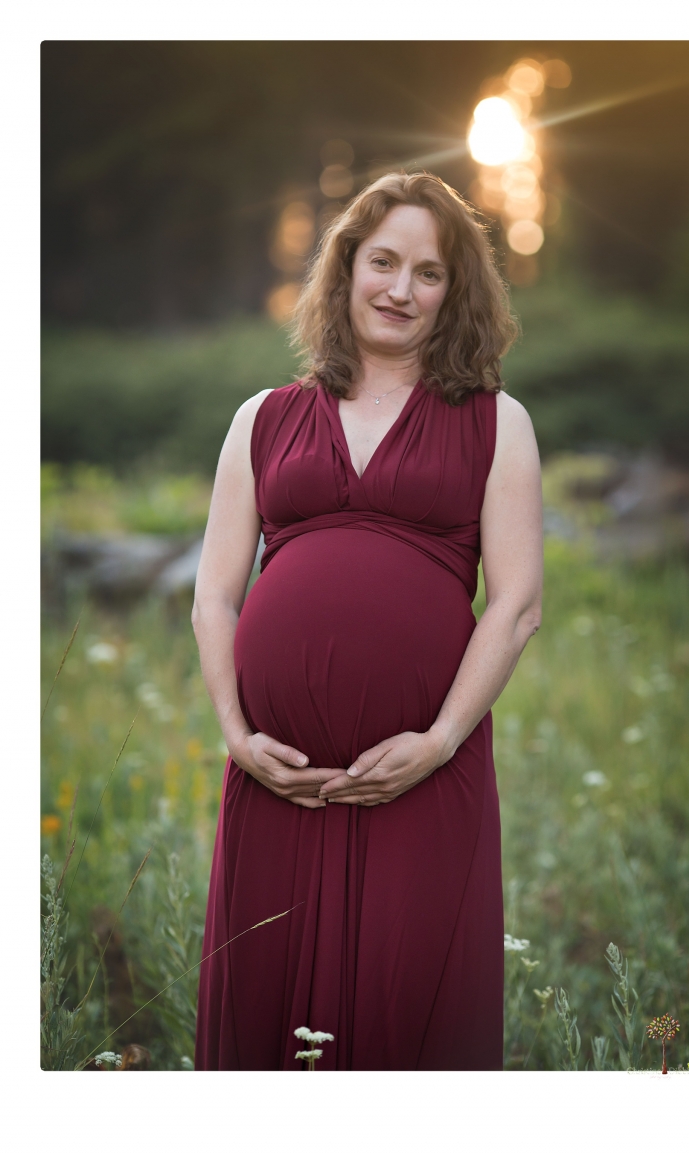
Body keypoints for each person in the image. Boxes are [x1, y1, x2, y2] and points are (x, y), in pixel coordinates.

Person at [192, 171, 543, 1071]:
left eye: (429, 273)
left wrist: (438, 740)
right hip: (279, 780)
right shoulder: (261, 419)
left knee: (412, 1007)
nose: (401, 289)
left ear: (453, 292)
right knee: (266, 1014)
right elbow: (215, 594)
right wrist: (236, 734)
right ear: (345, 270)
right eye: (382, 262)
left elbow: (516, 604)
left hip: (424, 776)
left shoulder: (497, 423)